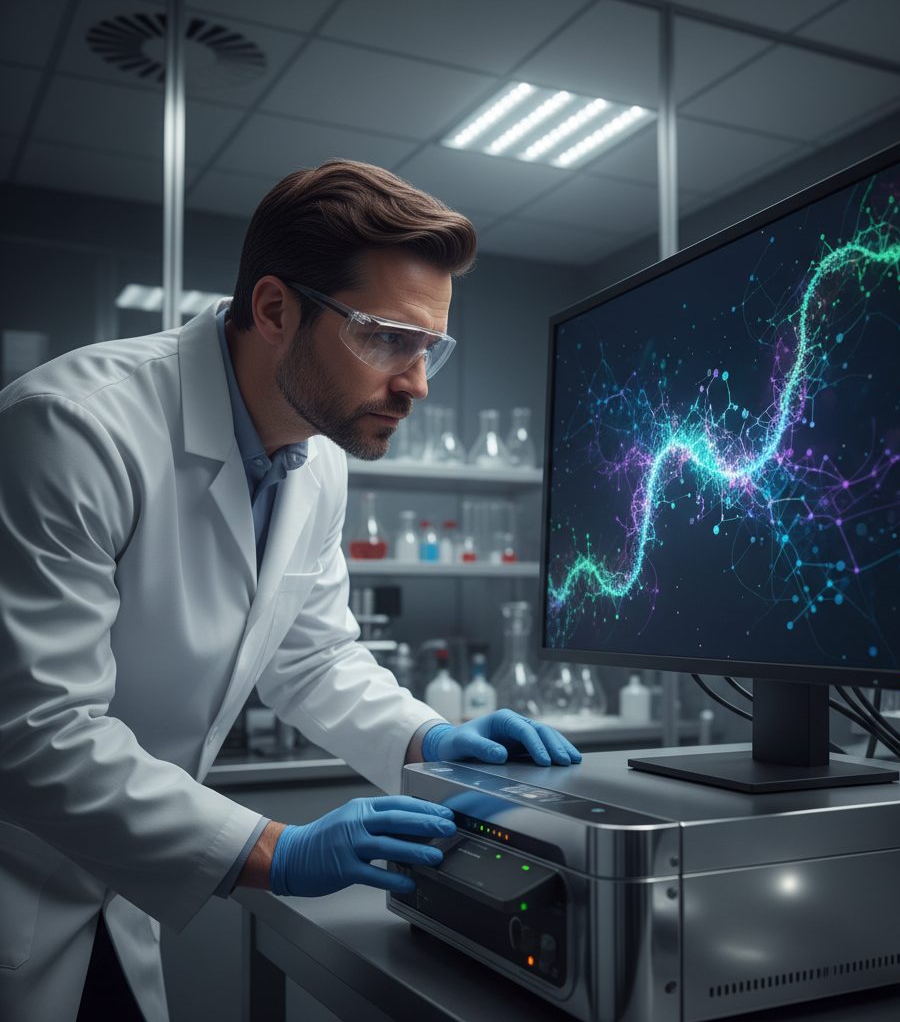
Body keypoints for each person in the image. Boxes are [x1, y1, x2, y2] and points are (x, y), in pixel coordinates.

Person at [0, 159, 582, 1022]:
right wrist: (272, 848)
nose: (417, 384)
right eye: (388, 337)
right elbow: (34, 732)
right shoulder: (73, 429)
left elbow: (311, 654)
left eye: (431, 348)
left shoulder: (316, 459)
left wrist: (431, 739)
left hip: (114, 893)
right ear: (274, 310)